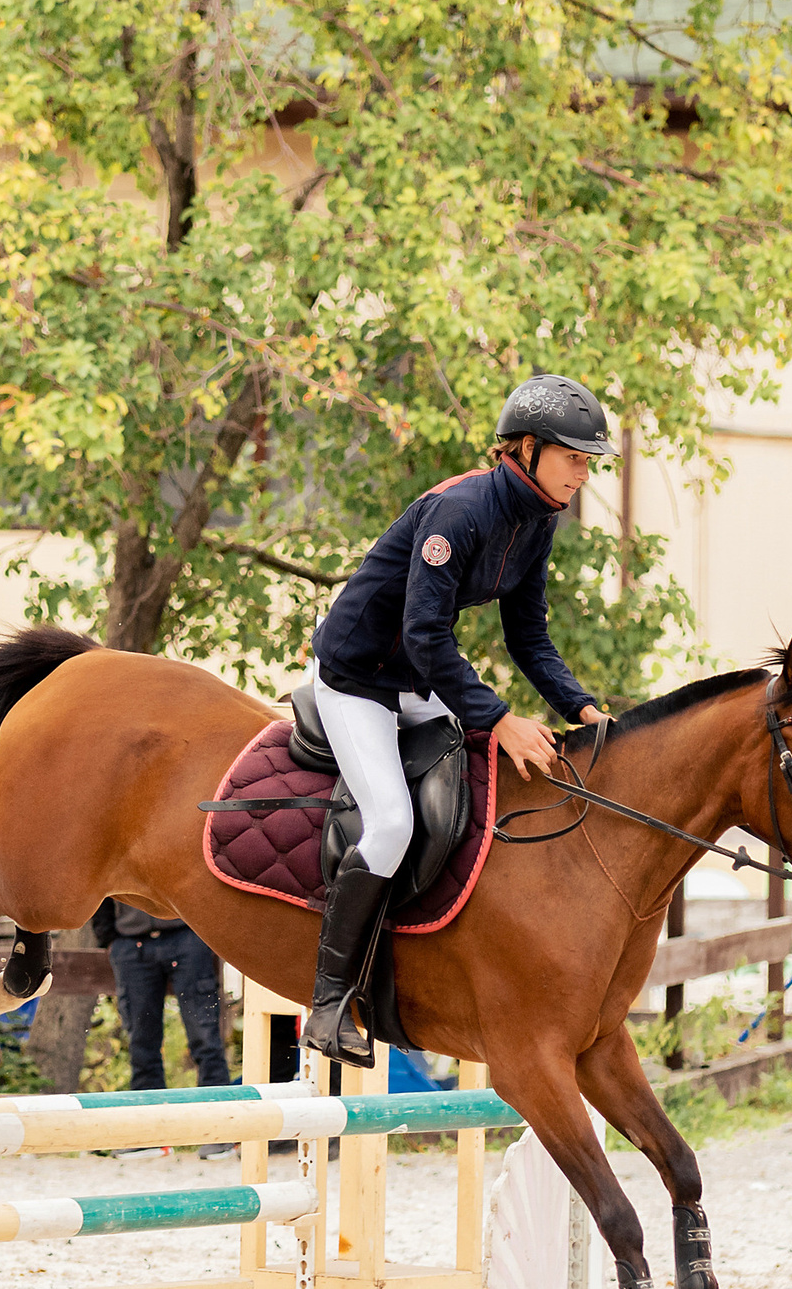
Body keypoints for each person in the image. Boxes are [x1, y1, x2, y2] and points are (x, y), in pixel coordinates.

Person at [301, 374, 616, 1065]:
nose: (583, 476)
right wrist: (500, 719)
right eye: (574, 459)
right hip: (356, 681)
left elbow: (527, 638)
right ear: (527, 450)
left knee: (481, 794)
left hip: (414, 682)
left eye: (589, 464)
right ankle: (327, 1006)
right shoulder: (460, 511)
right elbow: (424, 634)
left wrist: (583, 708)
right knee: (391, 821)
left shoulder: (537, 525)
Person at [93, 898, 232, 1093]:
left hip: (186, 935)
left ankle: (218, 1104)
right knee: (141, 1041)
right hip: (132, 942)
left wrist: (204, 931)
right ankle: (148, 1112)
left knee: (205, 1034)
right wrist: (109, 939)